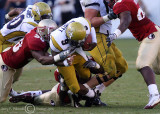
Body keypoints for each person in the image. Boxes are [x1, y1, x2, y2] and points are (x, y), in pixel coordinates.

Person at [106, 0, 160, 109]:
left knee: (142, 64)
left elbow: (126, 20)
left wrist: (114, 35)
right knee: (158, 69)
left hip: (150, 34)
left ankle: (154, 95)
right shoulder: (126, 1)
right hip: (155, 31)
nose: (108, 3)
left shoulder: (120, 4)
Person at [0, 19, 60, 103]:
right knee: (1, 98)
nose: (53, 33)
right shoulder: (35, 40)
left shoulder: (39, 33)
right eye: (52, 31)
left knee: (14, 79)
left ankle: (8, 89)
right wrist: (60, 57)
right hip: (7, 63)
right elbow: (41, 59)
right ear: (43, 31)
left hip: (14, 58)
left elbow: (44, 52)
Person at [79, 0, 128, 99]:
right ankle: (81, 91)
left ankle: (97, 91)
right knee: (110, 70)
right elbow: (89, 21)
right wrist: (108, 17)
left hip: (104, 35)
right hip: (96, 36)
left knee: (121, 67)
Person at [49, 16, 100, 105]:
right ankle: (90, 95)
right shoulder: (56, 40)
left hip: (76, 51)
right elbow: (54, 60)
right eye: (76, 41)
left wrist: (94, 41)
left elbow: (90, 25)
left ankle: (76, 96)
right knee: (74, 87)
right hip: (64, 57)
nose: (80, 43)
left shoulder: (83, 23)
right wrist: (65, 62)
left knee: (86, 75)